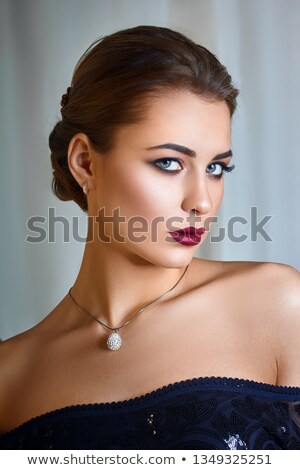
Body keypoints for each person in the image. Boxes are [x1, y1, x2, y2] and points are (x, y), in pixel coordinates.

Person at [0, 25, 299, 451]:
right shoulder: (10, 378)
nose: (201, 201)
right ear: (85, 162)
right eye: (169, 163)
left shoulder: (278, 305)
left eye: (217, 168)